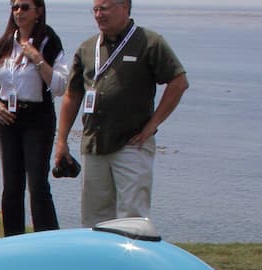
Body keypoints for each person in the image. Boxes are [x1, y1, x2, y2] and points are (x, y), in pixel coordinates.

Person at [54, 0, 188, 227]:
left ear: (125, 8)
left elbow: (178, 82)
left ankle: (131, 262)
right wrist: (62, 141)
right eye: (95, 10)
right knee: (94, 220)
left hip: (132, 144)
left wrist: (151, 126)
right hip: (94, 145)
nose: (99, 15)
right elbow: (72, 95)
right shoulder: (88, 48)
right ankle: (99, 263)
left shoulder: (149, 42)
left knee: (132, 219)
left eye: (104, 8)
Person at [0, 0, 69, 236]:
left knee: (38, 185)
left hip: (37, 119)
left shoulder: (49, 41)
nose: (19, 12)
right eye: (15, 7)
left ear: (38, 11)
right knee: (11, 187)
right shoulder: (4, 43)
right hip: (7, 119)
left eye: (24, 7)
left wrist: (37, 59)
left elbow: (61, 85)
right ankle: (12, 240)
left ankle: (48, 241)